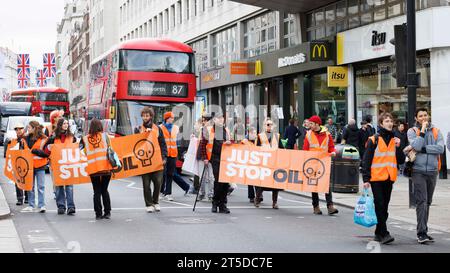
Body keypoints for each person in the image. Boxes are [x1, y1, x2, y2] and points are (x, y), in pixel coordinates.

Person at [362, 112, 401, 244]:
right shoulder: (374, 139)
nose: (390, 123)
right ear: (381, 124)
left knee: (384, 207)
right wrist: (366, 179)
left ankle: (378, 232)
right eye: (386, 121)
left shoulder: (394, 139)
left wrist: (399, 146)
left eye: (391, 121)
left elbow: (400, 159)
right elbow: (366, 160)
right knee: (379, 204)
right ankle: (384, 233)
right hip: (376, 177)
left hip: (389, 177)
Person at [407, 108, 444, 244]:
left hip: (433, 171)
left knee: (428, 202)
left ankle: (424, 230)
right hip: (418, 170)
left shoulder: (436, 131)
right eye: (420, 116)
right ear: (416, 118)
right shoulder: (412, 131)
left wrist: (424, 149)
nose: (423, 118)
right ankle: (421, 233)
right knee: (422, 201)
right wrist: (422, 131)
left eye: (425, 115)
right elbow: (416, 145)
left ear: (428, 116)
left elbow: (440, 148)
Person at [303, 115, 339, 215]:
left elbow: (331, 147)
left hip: (324, 163)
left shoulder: (327, 135)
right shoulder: (308, 135)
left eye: (311, 123)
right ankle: (316, 207)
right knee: (314, 185)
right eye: (309, 123)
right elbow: (305, 150)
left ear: (317, 124)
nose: (309, 125)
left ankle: (330, 206)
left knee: (327, 184)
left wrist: (333, 152)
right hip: (312, 163)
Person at [134, 107, 167, 213]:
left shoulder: (157, 128)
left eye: (147, 115)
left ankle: (155, 201)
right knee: (146, 184)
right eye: (143, 115)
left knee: (158, 182)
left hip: (157, 160)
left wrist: (164, 157)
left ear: (151, 116)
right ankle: (149, 204)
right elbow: (134, 144)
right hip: (145, 161)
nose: (145, 117)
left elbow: (163, 144)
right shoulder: (138, 129)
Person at [197, 112, 232, 214]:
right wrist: (205, 158)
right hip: (214, 158)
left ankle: (223, 205)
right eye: (219, 118)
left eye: (222, 118)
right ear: (215, 120)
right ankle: (215, 203)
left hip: (225, 159)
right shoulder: (209, 130)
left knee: (225, 182)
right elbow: (203, 144)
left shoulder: (226, 131)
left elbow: (231, 143)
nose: (221, 120)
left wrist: (230, 143)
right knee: (218, 181)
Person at [81, 119, 114, 220]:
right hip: (105, 168)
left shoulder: (85, 139)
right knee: (104, 190)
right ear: (100, 126)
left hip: (93, 169)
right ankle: (107, 212)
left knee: (96, 191)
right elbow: (111, 150)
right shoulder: (105, 136)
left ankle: (98, 214)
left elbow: (85, 152)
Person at [44, 118, 77, 215]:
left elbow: (76, 149)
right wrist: (49, 148)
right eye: (64, 123)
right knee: (59, 187)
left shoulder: (72, 137)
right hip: (57, 165)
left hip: (69, 165)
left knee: (69, 186)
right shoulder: (53, 138)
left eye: (67, 123)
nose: (66, 125)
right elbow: (46, 151)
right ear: (60, 125)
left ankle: (71, 207)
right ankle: (61, 206)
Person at [160, 112, 190, 201]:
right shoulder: (160, 128)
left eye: (173, 118)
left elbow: (179, 139)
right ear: (166, 118)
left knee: (169, 174)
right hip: (164, 154)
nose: (172, 119)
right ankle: (162, 192)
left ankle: (168, 193)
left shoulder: (176, 128)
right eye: (171, 118)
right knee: (163, 174)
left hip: (173, 154)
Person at [255, 118, 284, 209]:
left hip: (275, 163)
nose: (269, 126)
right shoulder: (260, 136)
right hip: (264, 163)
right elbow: (256, 150)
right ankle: (257, 199)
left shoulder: (277, 136)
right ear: (264, 126)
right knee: (262, 183)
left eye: (271, 124)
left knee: (275, 184)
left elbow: (282, 149)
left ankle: (274, 202)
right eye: (267, 124)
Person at [21, 121, 49, 213]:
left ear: (34, 128)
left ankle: (41, 205)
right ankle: (31, 205)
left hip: (40, 166)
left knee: (41, 187)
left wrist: (35, 151)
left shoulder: (44, 139)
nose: (27, 129)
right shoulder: (24, 139)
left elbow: (46, 154)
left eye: (29, 127)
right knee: (30, 187)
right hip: (28, 167)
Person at [8, 123, 29, 206]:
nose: (18, 130)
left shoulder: (27, 139)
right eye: (17, 129)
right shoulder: (14, 140)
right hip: (17, 163)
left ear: (23, 129)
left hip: (26, 162)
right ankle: (20, 199)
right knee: (18, 181)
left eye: (20, 129)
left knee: (27, 180)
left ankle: (27, 197)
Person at [242, 127, 262, 203]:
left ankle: (258, 195)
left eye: (255, 133)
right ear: (249, 133)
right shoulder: (245, 141)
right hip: (249, 162)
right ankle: (251, 196)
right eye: (253, 133)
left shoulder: (257, 141)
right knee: (250, 180)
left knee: (257, 180)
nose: (255, 135)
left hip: (257, 162)